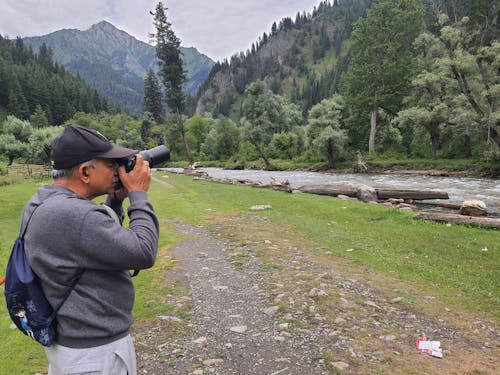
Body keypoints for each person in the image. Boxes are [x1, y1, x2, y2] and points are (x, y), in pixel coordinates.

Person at [21, 124, 159, 374]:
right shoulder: (74, 214)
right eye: (111, 165)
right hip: (96, 355)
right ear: (85, 172)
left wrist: (115, 200)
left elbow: (94, 243)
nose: (118, 170)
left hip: (74, 346)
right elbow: (142, 251)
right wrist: (138, 195)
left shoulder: (43, 201)